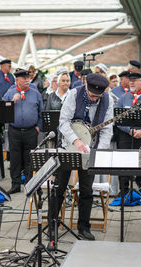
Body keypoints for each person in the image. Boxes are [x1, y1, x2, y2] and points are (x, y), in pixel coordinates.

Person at [52, 73, 113, 241]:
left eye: (98, 97)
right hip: (68, 146)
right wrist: (76, 140)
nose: (94, 99)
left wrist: (98, 152)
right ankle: (52, 224)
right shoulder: (74, 94)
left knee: (86, 190)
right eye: (92, 95)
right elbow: (63, 122)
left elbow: (107, 129)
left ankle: (84, 227)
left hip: (90, 149)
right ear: (86, 86)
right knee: (59, 187)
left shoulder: (107, 100)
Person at [3, 69, 43, 194]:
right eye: (23, 78)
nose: (27, 80)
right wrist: (11, 102)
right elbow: (2, 109)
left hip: (31, 131)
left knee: (29, 159)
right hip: (14, 131)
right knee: (15, 159)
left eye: (28, 78)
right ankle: (15, 185)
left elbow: (41, 112)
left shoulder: (35, 93)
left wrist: (38, 128)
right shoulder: (10, 93)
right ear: (17, 80)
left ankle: (29, 184)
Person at [116, 72, 141, 197]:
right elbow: (117, 119)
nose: (131, 83)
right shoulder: (123, 98)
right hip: (126, 136)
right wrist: (129, 130)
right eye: (130, 80)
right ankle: (124, 190)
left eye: (134, 80)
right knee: (124, 162)